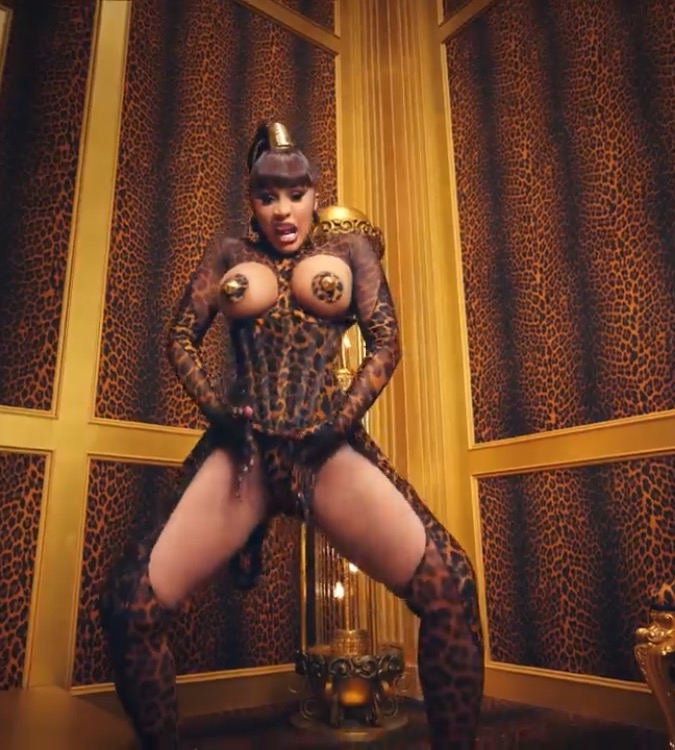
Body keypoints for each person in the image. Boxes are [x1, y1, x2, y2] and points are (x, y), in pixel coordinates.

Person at [99, 121, 483, 748]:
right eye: (267, 197)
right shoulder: (228, 253)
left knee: (452, 588)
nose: (283, 211)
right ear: (251, 202)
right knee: (128, 607)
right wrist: (218, 411)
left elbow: (386, 342)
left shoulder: (350, 251)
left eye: (296, 195)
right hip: (245, 455)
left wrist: (339, 421)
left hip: (323, 451)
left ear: (314, 195)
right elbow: (180, 338)